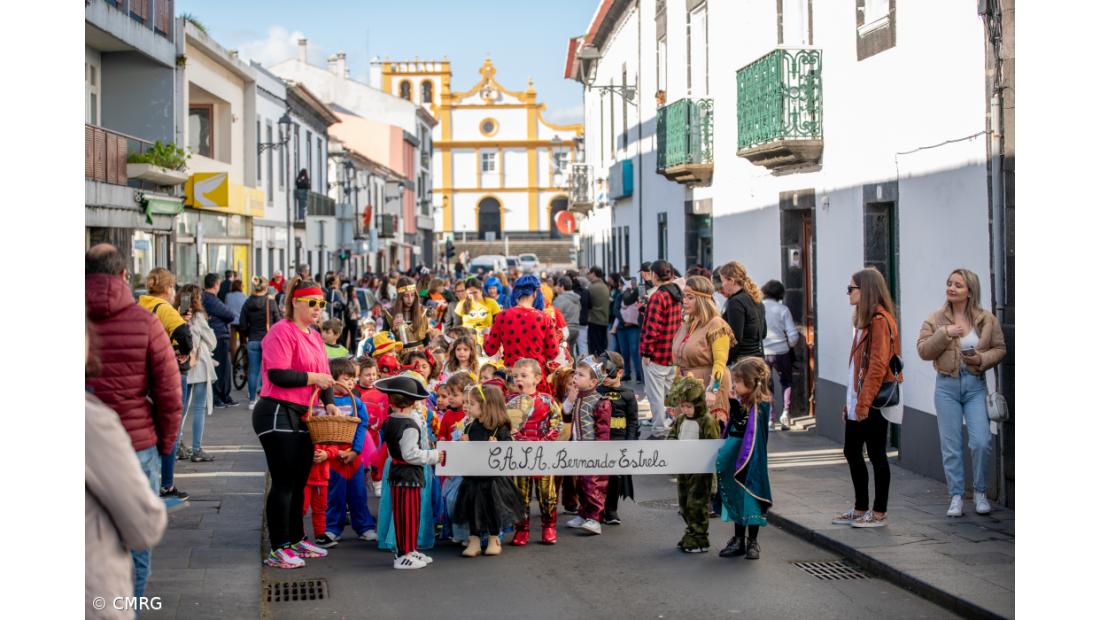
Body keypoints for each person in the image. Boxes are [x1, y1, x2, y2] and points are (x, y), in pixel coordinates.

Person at [85, 244, 181, 600]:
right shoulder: (144, 321)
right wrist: (165, 445)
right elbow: (170, 393)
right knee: (138, 542)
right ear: (124, 275)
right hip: (135, 443)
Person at [253, 276, 339, 569]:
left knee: (300, 479)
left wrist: (329, 402)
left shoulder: (314, 335)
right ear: (295, 302)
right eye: (312, 303)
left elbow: (325, 375)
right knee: (284, 481)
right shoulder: (281, 331)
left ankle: (295, 539)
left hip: (305, 414)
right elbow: (278, 374)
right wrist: (312, 379)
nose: (317, 309)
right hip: (277, 410)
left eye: (321, 304)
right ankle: (278, 547)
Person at [917, 268, 1006, 517]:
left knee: (981, 442)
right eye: (949, 283)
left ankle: (979, 492)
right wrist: (944, 334)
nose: (951, 288)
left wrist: (980, 359)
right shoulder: (936, 319)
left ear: (969, 291)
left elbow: (1000, 348)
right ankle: (956, 496)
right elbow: (923, 351)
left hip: (975, 385)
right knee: (951, 445)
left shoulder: (986, 319)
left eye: (958, 285)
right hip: (946, 386)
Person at [832, 267, 900, 530]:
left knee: (876, 453)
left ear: (866, 290)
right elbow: (856, 368)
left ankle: (879, 511)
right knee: (851, 451)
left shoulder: (880, 321)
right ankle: (861, 507)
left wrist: (862, 402)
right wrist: (850, 400)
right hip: (858, 397)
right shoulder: (863, 321)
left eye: (851, 288)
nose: (848, 293)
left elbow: (878, 365)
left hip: (871, 399)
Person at [136, 268, 196, 497]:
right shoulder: (165, 309)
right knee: (172, 428)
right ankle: (167, 483)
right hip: (169, 371)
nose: (174, 292)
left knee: (149, 426)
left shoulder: (142, 304)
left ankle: (148, 478)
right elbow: (183, 335)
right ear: (167, 288)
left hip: (147, 372)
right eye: (173, 287)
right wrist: (185, 351)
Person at [376, 375, 446, 570]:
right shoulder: (409, 425)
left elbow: (392, 450)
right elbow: (411, 454)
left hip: (398, 473)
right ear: (413, 403)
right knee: (408, 515)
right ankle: (404, 553)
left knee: (406, 515)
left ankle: (410, 549)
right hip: (408, 476)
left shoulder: (389, 421)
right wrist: (433, 456)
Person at [455, 384, 526, 557]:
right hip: (472, 478)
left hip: (492, 479)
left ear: (486, 406)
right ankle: (474, 540)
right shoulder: (471, 427)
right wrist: (463, 444)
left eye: (472, 404)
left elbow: (510, 451)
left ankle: (494, 538)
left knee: (492, 508)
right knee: (472, 509)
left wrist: (498, 447)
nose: (468, 407)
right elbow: (464, 453)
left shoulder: (499, 429)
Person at [716, 358, 775, 560]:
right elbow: (736, 422)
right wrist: (733, 404)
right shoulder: (741, 401)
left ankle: (753, 542)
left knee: (750, 498)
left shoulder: (762, 404)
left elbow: (754, 432)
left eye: (738, 381)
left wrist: (739, 407)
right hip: (735, 455)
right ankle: (738, 540)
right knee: (736, 496)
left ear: (751, 382)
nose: (734, 385)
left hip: (750, 459)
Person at [317, 357, 377, 547]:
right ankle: (333, 528)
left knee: (358, 492)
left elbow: (362, 427)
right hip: (333, 457)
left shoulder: (357, 403)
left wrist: (355, 451)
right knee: (335, 494)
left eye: (353, 378)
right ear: (333, 380)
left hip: (354, 457)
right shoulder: (324, 402)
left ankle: (364, 526)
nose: (351, 382)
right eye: (346, 378)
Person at [507, 358, 564, 545]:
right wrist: (517, 437)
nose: (518, 379)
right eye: (515, 376)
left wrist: (545, 441)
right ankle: (521, 529)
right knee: (520, 494)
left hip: (543, 455)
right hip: (520, 457)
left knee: (547, 494)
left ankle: (549, 527)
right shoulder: (510, 404)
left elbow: (558, 423)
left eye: (523, 375)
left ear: (537, 378)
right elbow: (507, 427)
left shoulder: (547, 401)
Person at [666, 375, 721, 553]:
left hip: (700, 471)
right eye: (683, 406)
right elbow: (673, 436)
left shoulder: (707, 421)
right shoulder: (681, 420)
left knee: (696, 504)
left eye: (689, 406)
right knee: (684, 504)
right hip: (684, 468)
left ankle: (700, 538)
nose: (686, 410)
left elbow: (712, 445)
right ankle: (691, 532)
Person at [483, 274, 561, 394]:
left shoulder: (501, 317)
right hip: (535, 379)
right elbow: (553, 352)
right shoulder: (544, 318)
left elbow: (490, 350)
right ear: (535, 293)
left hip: (512, 378)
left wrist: (486, 335)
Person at [672, 276, 734, 425]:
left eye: (690, 297)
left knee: (708, 439)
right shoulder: (686, 325)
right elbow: (680, 364)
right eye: (684, 297)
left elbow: (720, 362)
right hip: (687, 387)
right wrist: (673, 393)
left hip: (708, 386)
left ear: (702, 300)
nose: (684, 301)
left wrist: (712, 390)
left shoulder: (716, 324)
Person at [562, 356, 612, 535]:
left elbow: (603, 431)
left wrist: (599, 451)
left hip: (592, 451)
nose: (575, 377)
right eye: (575, 373)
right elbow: (565, 413)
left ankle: (595, 519)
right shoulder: (576, 397)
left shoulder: (600, 401)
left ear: (593, 382)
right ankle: (583, 514)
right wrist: (570, 398)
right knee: (580, 484)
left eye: (581, 375)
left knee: (593, 485)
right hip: (577, 448)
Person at [639, 260, 683, 439]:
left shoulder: (659, 296)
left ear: (655, 275)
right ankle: (672, 424)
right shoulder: (677, 293)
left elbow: (652, 327)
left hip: (657, 353)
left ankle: (659, 429)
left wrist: (647, 352)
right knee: (668, 393)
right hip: (671, 352)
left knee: (655, 395)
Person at [175, 284, 217, 464]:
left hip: (183, 365)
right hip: (198, 366)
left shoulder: (176, 313)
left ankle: (176, 446)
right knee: (198, 408)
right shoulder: (198, 316)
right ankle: (197, 448)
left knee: (182, 408)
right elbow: (212, 342)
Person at [596, 352, 638, 525]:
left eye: (608, 371)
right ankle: (594, 509)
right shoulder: (596, 391)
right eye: (601, 371)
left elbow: (633, 422)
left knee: (615, 477)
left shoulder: (628, 394)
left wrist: (629, 444)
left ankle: (611, 510)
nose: (604, 376)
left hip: (618, 442)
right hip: (599, 441)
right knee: (595, 478)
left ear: (619, 372)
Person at [761, 280, 801, 431]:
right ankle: (785, 414)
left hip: (763, 352)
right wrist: (788, 345)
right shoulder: (783, 309)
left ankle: (770, 419)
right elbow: (793, 335)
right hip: (781, 352)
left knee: (766, 385)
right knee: (786, 382)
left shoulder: (759, 308)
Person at [238, 277, 282, 409]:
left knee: (253, 370)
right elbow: (279, 320)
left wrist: (247, 335)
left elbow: (242, 324)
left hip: (253, 340)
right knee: (268, 370)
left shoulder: (247, 302)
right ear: (266, 287)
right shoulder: (271, 302)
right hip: (268, 341)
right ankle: (265, 397)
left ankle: (252, 400)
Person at [202, 273, 239, 408]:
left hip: (215, 335)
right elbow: (229, 314)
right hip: (218, 336)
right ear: (216, 285)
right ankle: (218, 397)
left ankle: (223, 396)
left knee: (223, 368)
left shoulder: (205, 298)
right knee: (220, 368)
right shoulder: (211, 299)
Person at [718, 261, 767, 364]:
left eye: (723, 281)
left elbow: (735, 339)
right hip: (758, 359)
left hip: (742, 361)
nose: (722, 285)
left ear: (731, 281)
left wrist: (723, 361)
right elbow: (763, 333)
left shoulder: (735, 302)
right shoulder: (755, 299)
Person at [383, 276, 431, 350]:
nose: (410, 299)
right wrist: (393, 331)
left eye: (412, 295)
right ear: (400, 297)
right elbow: (384, 341)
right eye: (406, 295)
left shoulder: (422, 311)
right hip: (399, 356)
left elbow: (426, 340)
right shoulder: (390, 313)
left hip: (418, 355)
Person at [612, 276, 643, 383]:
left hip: (634, 328)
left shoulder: (637, 295)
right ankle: (627, 373)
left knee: (634, 351)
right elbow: (615, 310)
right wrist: (623, 321)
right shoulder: (620, 296)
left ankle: (639, 375)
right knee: (624, 352)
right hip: (622, 328)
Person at [553, 277, 581, 359]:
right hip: (576, 328)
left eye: (558, 286)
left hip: (565, 330)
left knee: (563, 356)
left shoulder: (560, 299)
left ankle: (568, 371)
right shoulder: (576, 298)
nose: (557, 288)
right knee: (571, 354)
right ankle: (573, 370)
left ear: (562, 287)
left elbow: (553, 314)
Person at [586, 267, 611, 355]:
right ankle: (603, 365)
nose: (588, 275)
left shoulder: (592, 287)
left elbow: (587, 303)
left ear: (593, 273)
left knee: (594, 349)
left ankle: (596, 366)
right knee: (602, 347)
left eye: (589, 273)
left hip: (594, 320)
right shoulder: (604, 286)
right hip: (604, 320)